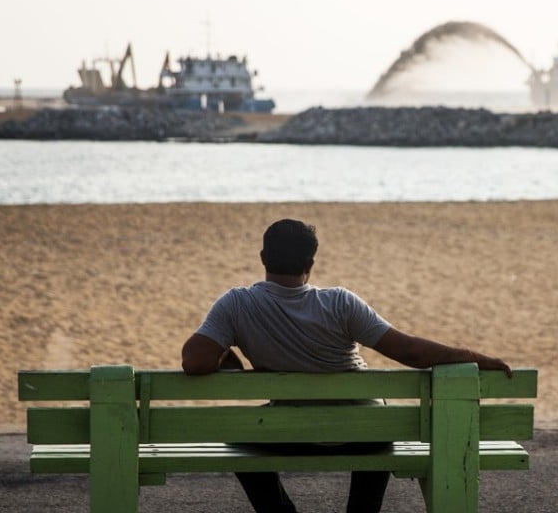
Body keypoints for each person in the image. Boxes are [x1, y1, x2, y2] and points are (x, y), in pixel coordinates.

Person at [182, 218, 512, 513]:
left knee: (238, 441)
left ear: (263, 258)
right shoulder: (340, 302)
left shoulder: (237, 304)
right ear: (310, 263)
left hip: (289, 432)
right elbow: (409, 351)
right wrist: (474, 356)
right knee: (380, 425)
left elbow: (194, 361)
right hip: (363, 431)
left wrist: (227, 353)